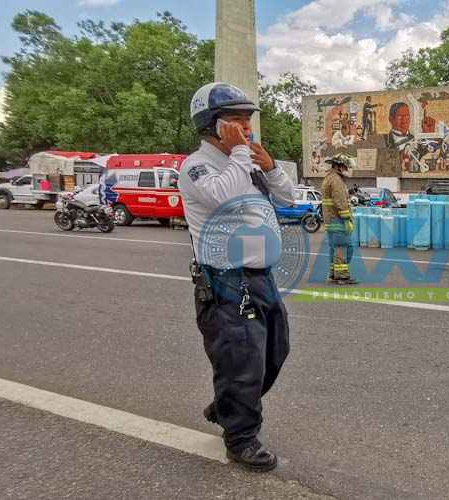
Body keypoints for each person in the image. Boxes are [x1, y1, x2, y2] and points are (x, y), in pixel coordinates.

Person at [179, 82, 295, 473]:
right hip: (227, 281)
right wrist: (242, 155)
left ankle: (229, 405)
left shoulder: (244, 163)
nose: (246, 128)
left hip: (261, 278)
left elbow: (289, 198)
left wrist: (271, 167)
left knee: (274, 352)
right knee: (242, 361)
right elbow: (222, 198)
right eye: (237, 121)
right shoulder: (198, 165)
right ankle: (241, 439)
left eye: (248, 120)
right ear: (213, 126)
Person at [321, 155, 357, 285]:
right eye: (345, 166)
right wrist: (347, 218)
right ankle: (342, 276)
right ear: (338, 166)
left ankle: (333, 274)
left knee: (335, 248)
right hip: (338, 220)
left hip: (330, 220)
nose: (347, 169)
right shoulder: (336, 180)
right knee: (344, 247)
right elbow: (340, 201)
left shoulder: (328, 178)